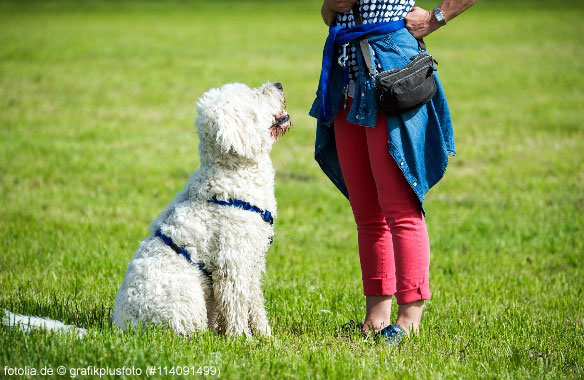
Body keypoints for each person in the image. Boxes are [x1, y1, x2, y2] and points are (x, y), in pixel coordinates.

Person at [310, 0, 477, 342]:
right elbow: (330, 13)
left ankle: (410, 318)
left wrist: (437, 17)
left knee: (400, 208)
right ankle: (376, 318)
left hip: (391, 77)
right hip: (347, 81)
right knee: (367, 213)